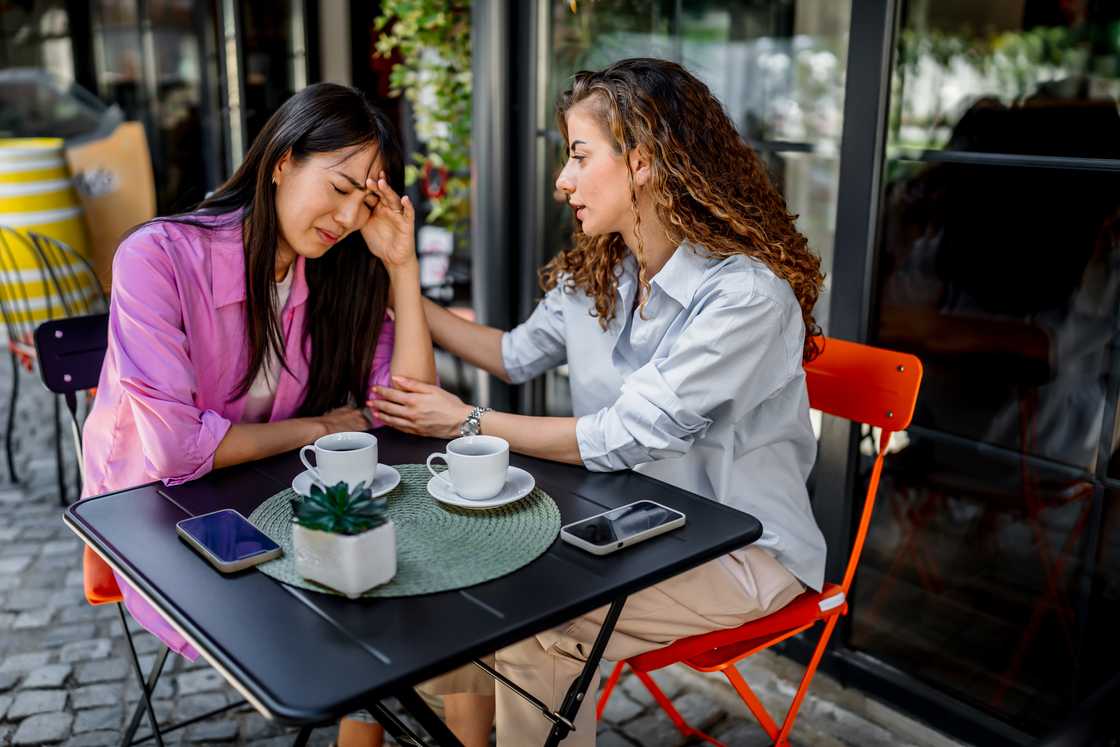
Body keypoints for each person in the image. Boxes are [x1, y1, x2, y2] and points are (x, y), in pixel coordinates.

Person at [368, 58, 828, 745]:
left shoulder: (743, 298)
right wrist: (398, 272)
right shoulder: (604, 272)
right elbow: (514, 354)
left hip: (743, 553)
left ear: (642, 163)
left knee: (535, 621)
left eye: (580, 156)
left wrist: (464, 421)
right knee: (465, 586)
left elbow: (624, 436)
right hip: (626, 527)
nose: (562, 179)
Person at [80, 82, 476, 746]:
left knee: (420, 573)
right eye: (341, 187)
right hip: (160, 519)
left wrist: (401, 267)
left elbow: (409, 408)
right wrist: (317, 428)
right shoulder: (158, 258)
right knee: (370, 592)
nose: (350, 217)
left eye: (367, 199)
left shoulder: (338, 272)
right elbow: (175, 451)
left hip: (277, 495)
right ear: (282, 161)